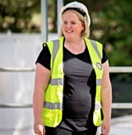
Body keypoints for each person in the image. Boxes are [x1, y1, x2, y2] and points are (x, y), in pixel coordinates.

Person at [33, 1, 112, 135]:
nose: (67, 26)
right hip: (59, 126)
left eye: (73, 23)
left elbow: (105, 87)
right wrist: (37, 120)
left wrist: (107, 119)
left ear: (83, 25)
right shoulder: (50, 50)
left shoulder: (98, 50)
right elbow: (39, 88)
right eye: (65, 22)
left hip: (89, 125)